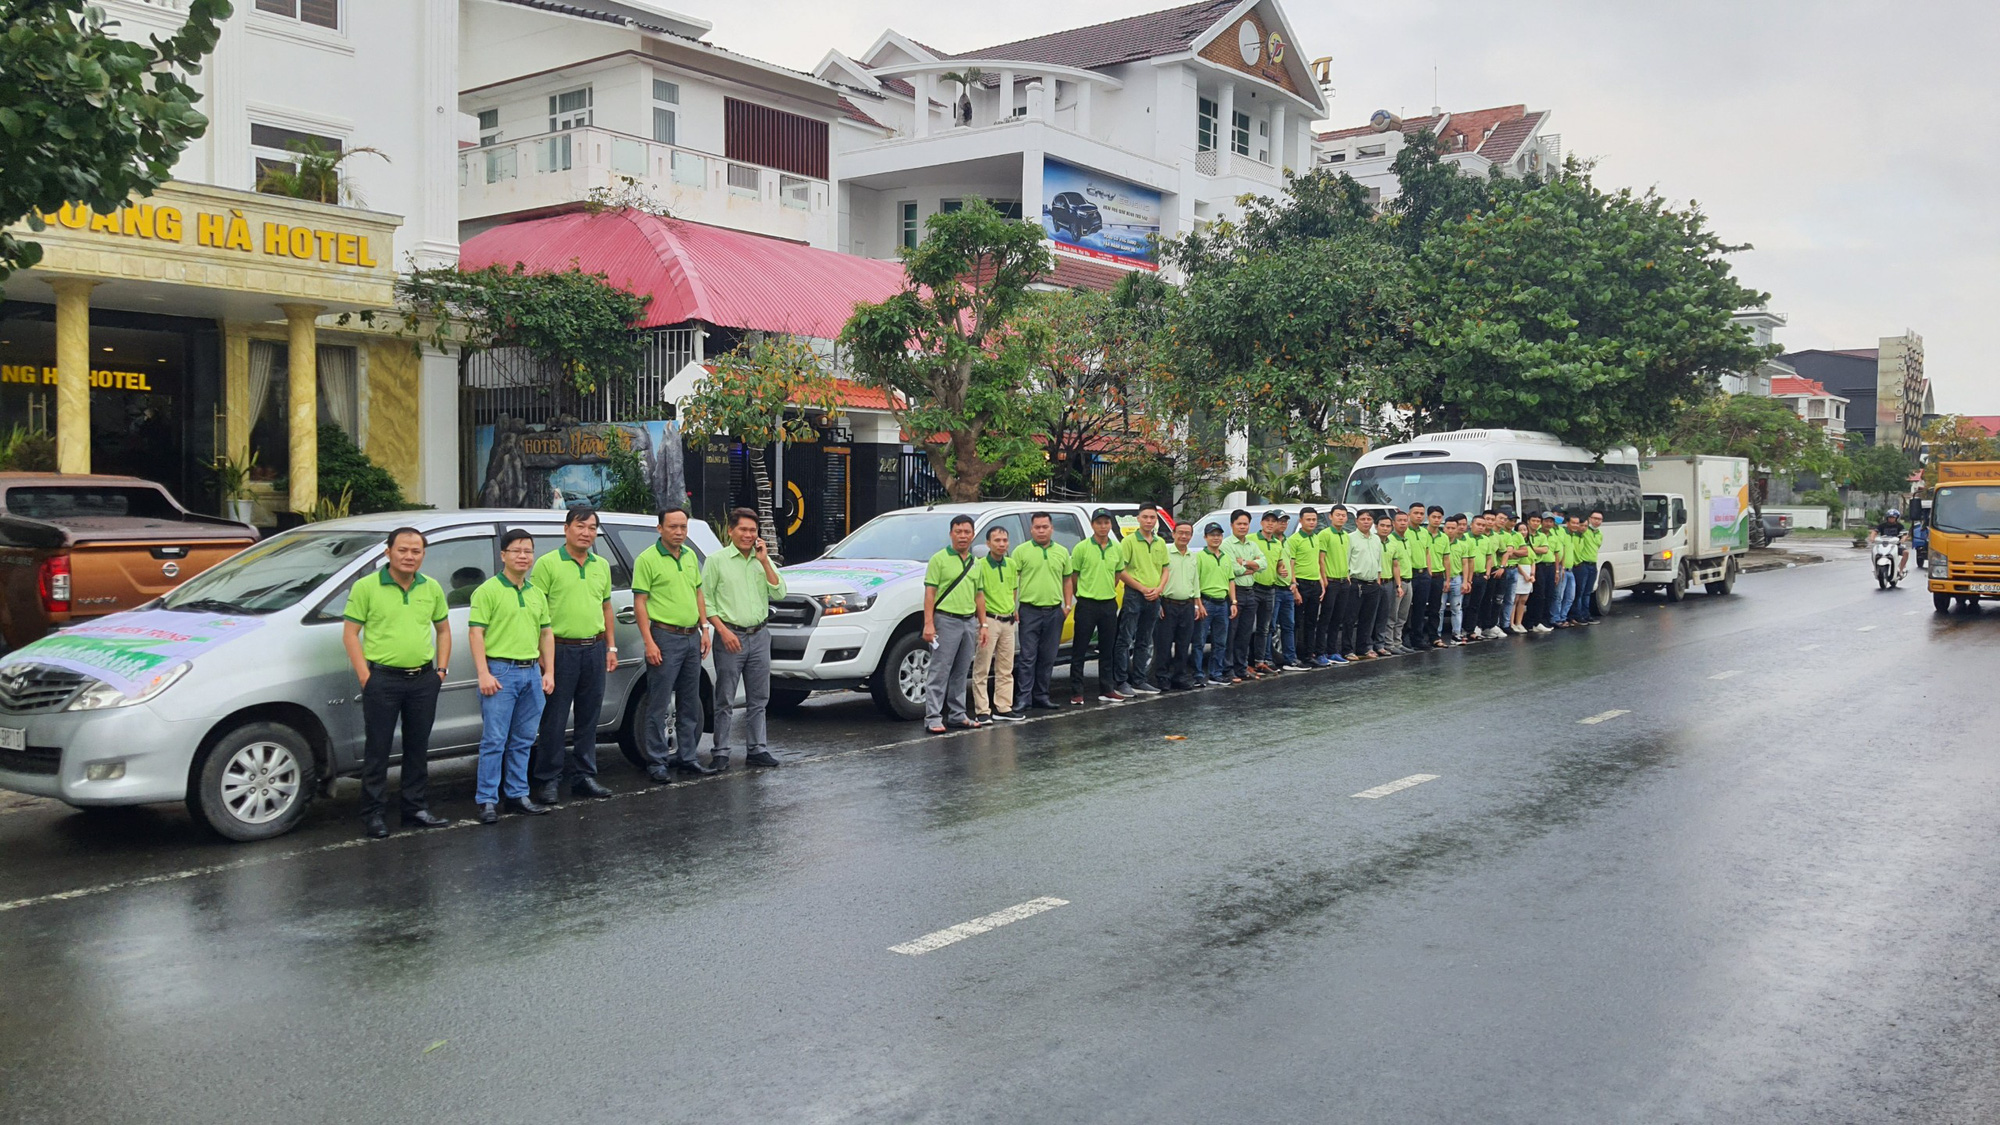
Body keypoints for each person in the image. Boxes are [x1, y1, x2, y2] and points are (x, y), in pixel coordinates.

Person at [341, 527, 452, 839]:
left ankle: (415, 808)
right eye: (403, 550)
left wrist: (440, 671)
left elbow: (443, 629)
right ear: (388, 551)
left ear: (423, 555)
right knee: (378, 749)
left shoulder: (430, 588)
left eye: (416, 551)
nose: (409, 556)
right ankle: (374, 813)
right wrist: (366, 676)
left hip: (423, 679)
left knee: (418, 747)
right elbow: (350, 633)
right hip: (382, 680)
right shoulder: (366, 587)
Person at [530, 507, 618, 803]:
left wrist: (611, 647)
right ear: (566, 528)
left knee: (588, 717)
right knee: (554, 719)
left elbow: (606, 607)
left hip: (594, 648)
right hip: (560, 650)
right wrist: (543, 655)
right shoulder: (547, 564)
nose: (586, 533)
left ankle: (584, 776)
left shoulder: (601, 565)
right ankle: (548, 779)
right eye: (581, 526)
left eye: (592, 528)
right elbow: (537, 610)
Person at [468, 528, 555, 824]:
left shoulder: (536, 594)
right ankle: (487, 800)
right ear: (503, 555)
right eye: (516, 550)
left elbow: (546, 633)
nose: (523, 555)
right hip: (500, 671)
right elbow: (476, 632)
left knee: (524, 739)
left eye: (528, 550)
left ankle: (517, 794)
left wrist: (549, 671)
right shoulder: (488, 591)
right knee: (494, 739)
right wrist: (483, 673)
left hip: (531, 671)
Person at [632, 506, 713, 782]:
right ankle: (656, 761)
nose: (679, 532)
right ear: (660, 528)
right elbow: (640, 603)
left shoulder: (690, 556)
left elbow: (698, 593)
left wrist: (704, 628)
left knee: (690, 701)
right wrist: (649, 642)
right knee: (658, 702)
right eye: (673, 527)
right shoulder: (647, 559)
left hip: (692, 636)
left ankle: (688, 757)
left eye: (683, 527)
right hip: (664, 637)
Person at [704, 508, 787, 768]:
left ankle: (757, 749)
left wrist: (764, 561)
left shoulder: (762, 560)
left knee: (759, 698)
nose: (748, 535)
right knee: (725, 698)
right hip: (730, 636)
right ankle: (721, 752)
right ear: (731, 531)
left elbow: (780, 592)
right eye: (743, 529)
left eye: (753, 531)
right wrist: (723, 630)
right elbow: (706, 601)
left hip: (760, 635)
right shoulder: (716, 561)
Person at [923, 513, 986, 733]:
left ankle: (958, 715)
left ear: (973, 535)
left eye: (967, 532)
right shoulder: (939, 559)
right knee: (940, 670)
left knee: (961, 671)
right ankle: (933, 716)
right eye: (958, 532)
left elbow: (979, 595)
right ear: (951, 534)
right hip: (945, 620)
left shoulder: (975, 562)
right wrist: (928, 624)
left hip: (968, 622)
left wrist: (983, 624)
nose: (962, 536)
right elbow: (930, 593)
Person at [1011, 512, 1071, 711]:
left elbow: (1067, 579)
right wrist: (1014, 606)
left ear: (1051, 528)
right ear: (1031, 529)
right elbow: (1013, 581)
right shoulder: (1021, 551)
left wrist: (1067, 605)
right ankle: (1023, 698)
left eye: (1045, 527)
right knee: (1028, 657)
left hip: (1054, 611)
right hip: (1030, 611)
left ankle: (1042, 695)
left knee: (1048, 657)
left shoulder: (1062, 552)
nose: (1041, 530)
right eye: (1037, 527)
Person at [1068, 509, 1125, 703]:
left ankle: (1107, 688)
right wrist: (1083, 594)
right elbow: (1074, 576)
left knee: (1107, 649)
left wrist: (1106, 591)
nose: (1103, 526)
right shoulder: (1081, 548)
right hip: (1086, 604)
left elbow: (1117, 575)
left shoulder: (1116, 548)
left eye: (1106, 523)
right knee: (1080, 649)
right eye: (1099, 522)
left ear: (1110, 525)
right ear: (1092, 525)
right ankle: (1077, 692)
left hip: (1108, 604)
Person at [1113, 503, 1169, 696]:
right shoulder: (1128, 542)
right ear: (1138, 518)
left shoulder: (1160, 542)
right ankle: (1121, 681)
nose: (1148, 521)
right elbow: (1121, 570)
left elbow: (1165, 569)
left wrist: (1159, 589)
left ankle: (1139, 679)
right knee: (1125, 639)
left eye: (1152, 517)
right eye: (1145, 517)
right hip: (1134, 595)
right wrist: (1143, 588)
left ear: (1156, 520)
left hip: (1154, 596)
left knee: (1145, 640)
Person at [972, 524, 1023, 722]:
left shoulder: (1010, 564)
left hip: (1008, 620)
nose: (1001, 544)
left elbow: (1013, 589)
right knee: (982, 666)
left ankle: (1003, 706)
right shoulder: (981, 566)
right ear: (988, 544)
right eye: (997, 541)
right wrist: (983, 622)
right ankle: (982, 710)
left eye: (1004, 540)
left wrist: (1014, 608)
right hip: (990, 620)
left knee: (1005, 667)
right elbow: (979, 594)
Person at [1152, 517, 1203, 690]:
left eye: (1187, 534)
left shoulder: (1192, 556)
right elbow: (1156, 577)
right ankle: (1162, 677)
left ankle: (1179, 676)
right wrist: (1157, 602)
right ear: (1173, 534)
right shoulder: (1165, 553)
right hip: (1167, 604)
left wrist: (1197, 603)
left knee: (1183, 644)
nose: (1184, 536)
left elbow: (1195, 581)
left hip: (1187, 605)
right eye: (1180, 532)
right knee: (1164, 644)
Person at [1222, 510, 1266, 680]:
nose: (1242, 527)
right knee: (1231, 633)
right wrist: (1249, 568)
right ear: (1232, 525)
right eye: (1239, 523)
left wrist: (1246, 563)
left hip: (1251, 592)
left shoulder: (1252, 545)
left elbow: (1264, 564)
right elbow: (1234, 569)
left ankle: (1241, 668)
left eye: (1245, 524)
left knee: (1245, 633)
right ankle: (1228, 668)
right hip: (1236, 593)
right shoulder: (1226, 545)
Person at [1195, 522, 1239, 686]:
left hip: (1223, 604)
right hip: (1206, 602)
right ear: (1206, 537)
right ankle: (1198, 674)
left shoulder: (1226, 556)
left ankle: (1216, 673)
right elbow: (1195, 582)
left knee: (1220, 642)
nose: (1216, 538)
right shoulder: (1199, 557)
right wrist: (1199, 604)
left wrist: (1233, 602)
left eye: (1218, 535)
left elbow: (1231, 580)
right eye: (1212, 535)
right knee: (1199, 642)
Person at [1288, 506, 1327, 667]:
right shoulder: (1294, 540)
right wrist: (1295, 587)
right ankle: (1299, 655)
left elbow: (1318, 561)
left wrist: (1322, 583)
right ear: (1301, 521)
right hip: (1301, 584)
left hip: (1314, 583)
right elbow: (1291, 563)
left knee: (1312, 621)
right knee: (1299, 622)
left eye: (1314, 519)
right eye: (1308, 519)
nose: (1311, 522)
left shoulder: (1316, 538)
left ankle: (1309, 654)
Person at [1252, 510, 1289, 672]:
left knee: (1265, 628)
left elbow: (1279, 562)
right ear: (1261, 523)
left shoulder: (1277, 543)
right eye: (1267, 520)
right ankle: (1249, 661)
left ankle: (1262, 660)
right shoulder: (1252, 540)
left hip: (1271, 589)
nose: (1270, 524)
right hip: (1253, 588)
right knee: (1248, 628)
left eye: (1273, 521)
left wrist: (1281, 570)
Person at [1316, 505, 1353, 665]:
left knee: (1338, 618)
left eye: (1344, 515)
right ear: (1331, 517)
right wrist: (1324, 580)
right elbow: (1321, 559)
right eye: (1338, 515)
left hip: (1343, 581)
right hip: (1330, 581)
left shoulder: (1345, 535)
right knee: (1325, 618)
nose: (1341, 518)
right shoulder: (1324, 534)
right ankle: (1320, 652)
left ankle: (1332, 651)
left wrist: (1347, 575)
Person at [1347, 510, 1385, 659]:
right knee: (1350, 619)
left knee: (1368, 619)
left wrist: (1378, 579)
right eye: (1362, 519)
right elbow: (1347, 559)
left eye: (1369, 519)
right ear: (1356, 521)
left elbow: (1378, 560)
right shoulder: (1350, 538)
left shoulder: (1376, 539)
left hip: (1373, 583)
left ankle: (1363, 647)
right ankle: (1347, 649)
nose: (1366, 521)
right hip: (1356, 583)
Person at [1381, 511, 1413, 655]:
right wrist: (1398, 585)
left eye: (1405, 520)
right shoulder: (1390, 540)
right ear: (1394, 523)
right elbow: (1394, 565)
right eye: (1399, 520)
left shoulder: (1407, 539)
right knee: (1392, 615)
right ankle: (1389, 643)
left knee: (1402, 616)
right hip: (1396, 582)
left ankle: (1398, 642)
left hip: (1408, 580)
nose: (1402, 523)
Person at [1402, 503, 1432, 652]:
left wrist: (1429, 572)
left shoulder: (1425, 532)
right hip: (1409, 574)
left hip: (1423, 574)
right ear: (1409, 514)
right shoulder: (1404, 531)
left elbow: (1427, 552)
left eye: (1421, 513)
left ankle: (1417, 638)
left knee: (1420, 608)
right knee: (1406, 609)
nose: (1419, 516)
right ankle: (1403, 638)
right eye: (1416, 513)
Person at [1421, 506, 1449, 647]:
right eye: (1434, 517)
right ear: (1428, 518)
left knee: (1435, 608)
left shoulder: (1444, 537)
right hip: (1424, 575)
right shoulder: (1422, 534)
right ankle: (1417, 636)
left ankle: (1434, 636)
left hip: (1438, 576)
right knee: (1419, 608)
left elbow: (1446, 559)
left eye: (1439, 517)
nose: (1437, 520)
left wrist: (1447, 579)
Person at [1570, 509, 1603, 625]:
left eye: (1599, 519)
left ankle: (1586, 614)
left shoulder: (1599, 534)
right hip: (1582, 564)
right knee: (1580, 592)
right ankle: (1578, 615)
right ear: (1590, 519)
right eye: (1595, 519)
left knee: (1588, 592)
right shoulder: (1584, 532)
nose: (1597, 521)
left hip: (1593, 564)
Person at [1871, 508, 1911, 578]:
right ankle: (1876, 569)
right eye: (1890, 517)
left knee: (1906, 552)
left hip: (1895, 545)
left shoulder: (1900, 526)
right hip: (1883, 545)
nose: (1891, 519)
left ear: (1896, 518)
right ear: (1887, 518)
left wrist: (1903, 539)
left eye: (1893, 517)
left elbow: (1905, 534)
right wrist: (1872, 538)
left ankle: (1901, 570)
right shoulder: (1882, 525)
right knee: (1874, 552)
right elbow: (1875, 531)